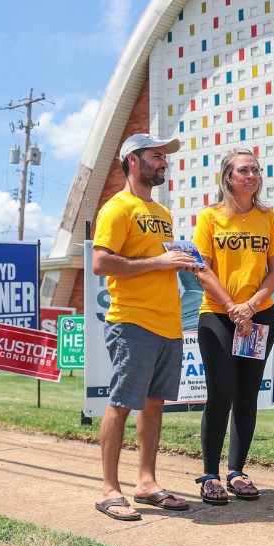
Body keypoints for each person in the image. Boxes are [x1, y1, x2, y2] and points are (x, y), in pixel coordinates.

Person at [92, 133, 203, 522]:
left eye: (164, 157)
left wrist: (180, 262)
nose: (164, 163)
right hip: (132, 321)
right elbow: (101, 263)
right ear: (133, 161)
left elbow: (158, 261)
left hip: (169, 323)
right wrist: (158, 263)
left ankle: (146, 483)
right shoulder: (117, 209)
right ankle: (109, 489)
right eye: (156, 156)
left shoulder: (162, 214)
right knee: (122, 403)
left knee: (155, 404)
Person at [191, 148, 274, 505]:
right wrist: (232, 308)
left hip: (259, 315)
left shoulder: (268, 217)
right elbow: (202, 268)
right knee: (221, 393)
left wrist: (250, 307)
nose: (251, 175)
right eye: (243, 170)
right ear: (228, 177)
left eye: (256, 170)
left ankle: (237, 472)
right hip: (218, 315)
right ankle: (210, 475)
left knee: (247, 395)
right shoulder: (210, 217)